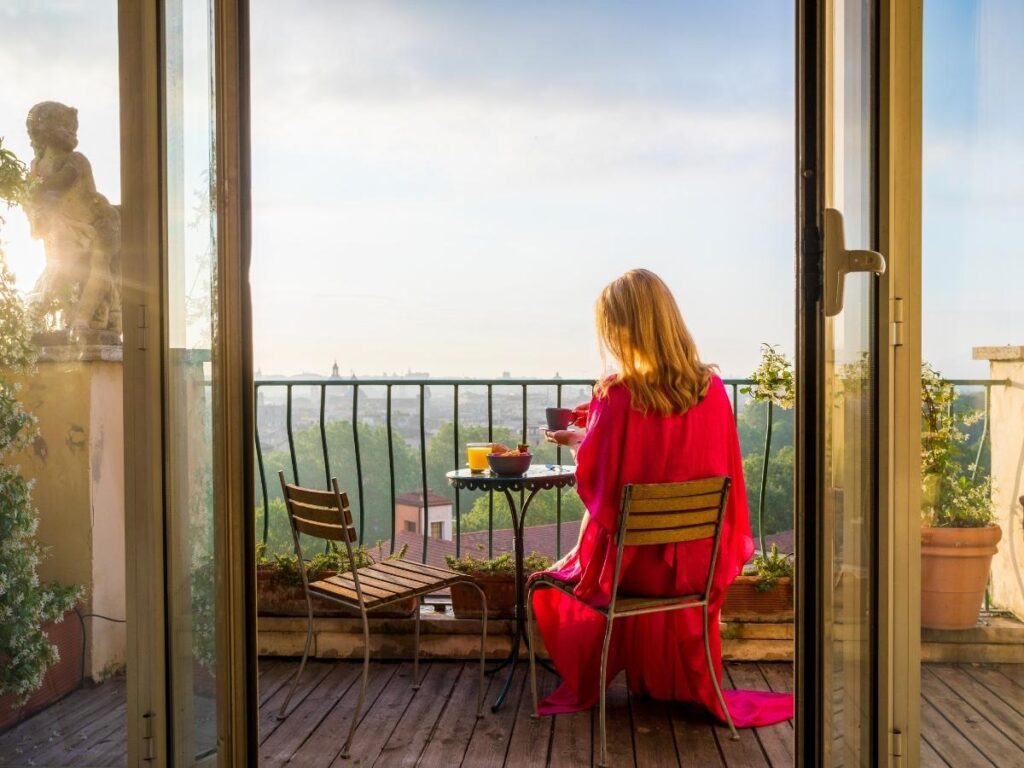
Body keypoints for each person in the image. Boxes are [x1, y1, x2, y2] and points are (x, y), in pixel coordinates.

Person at [531, 268, 793, 727]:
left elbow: (601, 485)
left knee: (552, 578)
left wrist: (578, 442)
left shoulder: (617, 395)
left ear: (622, 328)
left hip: (635, 575)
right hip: (695, 566)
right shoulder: (711, 391)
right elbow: (713, 467)